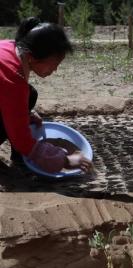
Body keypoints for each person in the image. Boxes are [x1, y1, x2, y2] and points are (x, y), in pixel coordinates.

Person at [0, 18, 91, 173]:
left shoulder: (10, 47)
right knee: (25, 98)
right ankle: (23, 157)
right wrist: (65, 160)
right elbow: (22, 140)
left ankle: (20, 158)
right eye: (54, 63)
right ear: (31, 57)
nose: (55, 69)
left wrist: (24, 115)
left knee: (30, 95)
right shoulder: (13, 79)